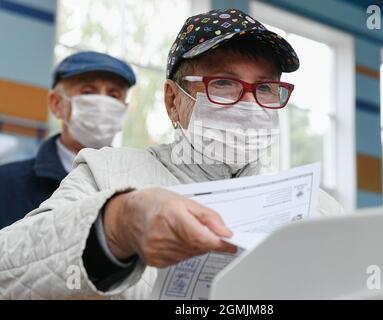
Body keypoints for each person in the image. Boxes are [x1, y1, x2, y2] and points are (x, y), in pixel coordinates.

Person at [0, 9, 343, 299]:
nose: (249, 103)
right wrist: (116, 225)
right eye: (223, 83)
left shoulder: (315, 206)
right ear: (172, 101)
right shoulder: (108, 173)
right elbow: (8, 270)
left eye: (265, 88)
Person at [0, 51, 136, 229]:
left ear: (122, 110)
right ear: (57, 104)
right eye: (88, 92)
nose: (103, 105)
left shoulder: (135, 188)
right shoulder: (7, 185)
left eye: (113, 95)